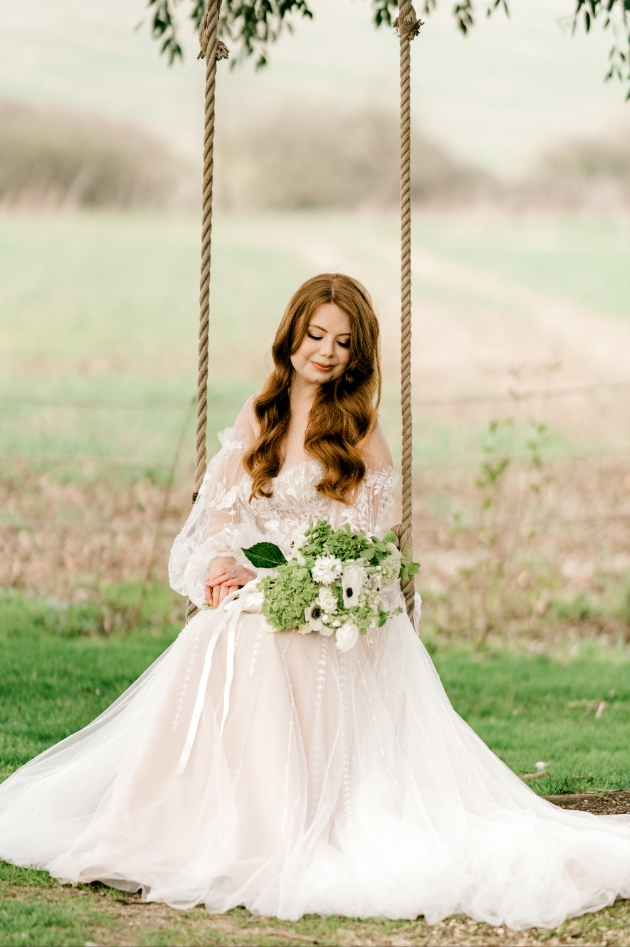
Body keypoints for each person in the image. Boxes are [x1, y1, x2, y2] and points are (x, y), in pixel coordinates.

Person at [0, 273, 628, 929]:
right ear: (292, 335)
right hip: (267, 589)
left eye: (343, 342)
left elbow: (373, 550)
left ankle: (281, 827)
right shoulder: (260, 415)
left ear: (357, 355)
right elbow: (220, 514)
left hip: (337, 609)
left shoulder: (360, 430)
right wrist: (220, 560)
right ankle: (201, 817)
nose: (326, 351)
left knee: (266, 637)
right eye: (316, 334)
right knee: (215, 634)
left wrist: (317, 587)